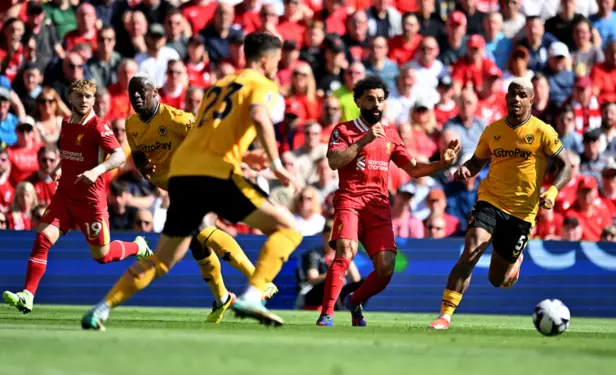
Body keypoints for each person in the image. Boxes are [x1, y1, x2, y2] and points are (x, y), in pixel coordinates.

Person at [81, 33, 303, 330]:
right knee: (288, 228)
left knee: (163, 260)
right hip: (213, 173)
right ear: (265, 60)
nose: (278, 67)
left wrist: (247, 158)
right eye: (277, 61)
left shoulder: (218, 87)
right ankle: (253, 293)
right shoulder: (262, 85)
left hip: (182, 177)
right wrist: (276, 164)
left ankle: (101, 308)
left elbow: (204, 134)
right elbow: (261, 117)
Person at [124, 73, 277, 323]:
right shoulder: (132, 124)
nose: (137, 96)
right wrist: (144, 168)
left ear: (156, 93)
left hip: (197, 178)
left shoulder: (177, 119)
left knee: (203, 230)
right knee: (198, 243)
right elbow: (139, 154)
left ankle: (259, 280)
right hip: (175, 187)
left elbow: (209, 139)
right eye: (133, 92)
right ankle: (222, 299)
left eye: (143, 91)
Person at [316, 75, 461, 327]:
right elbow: (334, 161)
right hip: (350, 200)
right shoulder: (343, 130)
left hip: (379, 206)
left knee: (386, 268)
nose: (376, 104)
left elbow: (414, 168)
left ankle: (354, 300)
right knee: (345, 252)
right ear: (358, 101)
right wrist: (363, 140)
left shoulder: (391, 135)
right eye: (370, 99)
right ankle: (326, 313)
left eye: (381, 100)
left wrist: (442, 163)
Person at [428, 78, 572, 330]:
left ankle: (513, 265)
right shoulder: (492, 130)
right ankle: (445, 315)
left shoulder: (542, 131)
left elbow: (566, 165)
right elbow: (476, 162)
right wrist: (464, 169)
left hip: (522, 213)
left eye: (521, 95)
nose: (515, 99)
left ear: (531, 100)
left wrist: (552, 192)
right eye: (511, 94)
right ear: (505, 99)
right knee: (471, 250)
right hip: (490, 201)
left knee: (498, 279)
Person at [1, 80, 154, 315]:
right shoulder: (66, 123)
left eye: (89, 96)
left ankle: (137, 246)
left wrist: (96, 171)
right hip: (65, 196)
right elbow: (71, 152)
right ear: (70, 99)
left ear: (94, 100)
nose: (84, 100)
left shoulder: (98, 126)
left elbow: (118, 156)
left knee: (102, 256)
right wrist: (61, 166)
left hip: (90, 202)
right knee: (42, 239)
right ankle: (28, 295)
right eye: (79, 96)